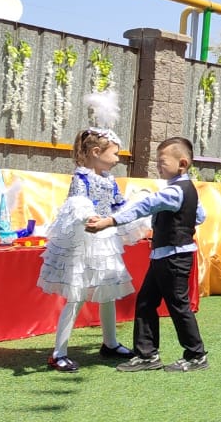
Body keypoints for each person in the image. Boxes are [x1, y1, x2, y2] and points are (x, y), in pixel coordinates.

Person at [86, 136, 209, 373]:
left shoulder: (174, 192)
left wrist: (108, 222)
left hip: (173, 257)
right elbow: (199, 216)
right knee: (146, 302)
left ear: (182, 164)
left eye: (162, 162)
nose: (158, 166)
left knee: (178, 306)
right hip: (167, 255)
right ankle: (147, 354)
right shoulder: (186, 189)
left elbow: (144, 206)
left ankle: (196, 355)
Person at [36, 127, 146, 372]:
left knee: (107, 291)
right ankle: (58, 353)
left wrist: (136, 213)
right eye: (115, 153)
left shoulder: (109, 180)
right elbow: (76, 206)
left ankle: (110, 343)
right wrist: (88, 216)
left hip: (105, 243)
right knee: (77, 295)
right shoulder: (81, 178)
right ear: (96, 152)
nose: (118, 159)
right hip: (84, 243)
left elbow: (118, 206)